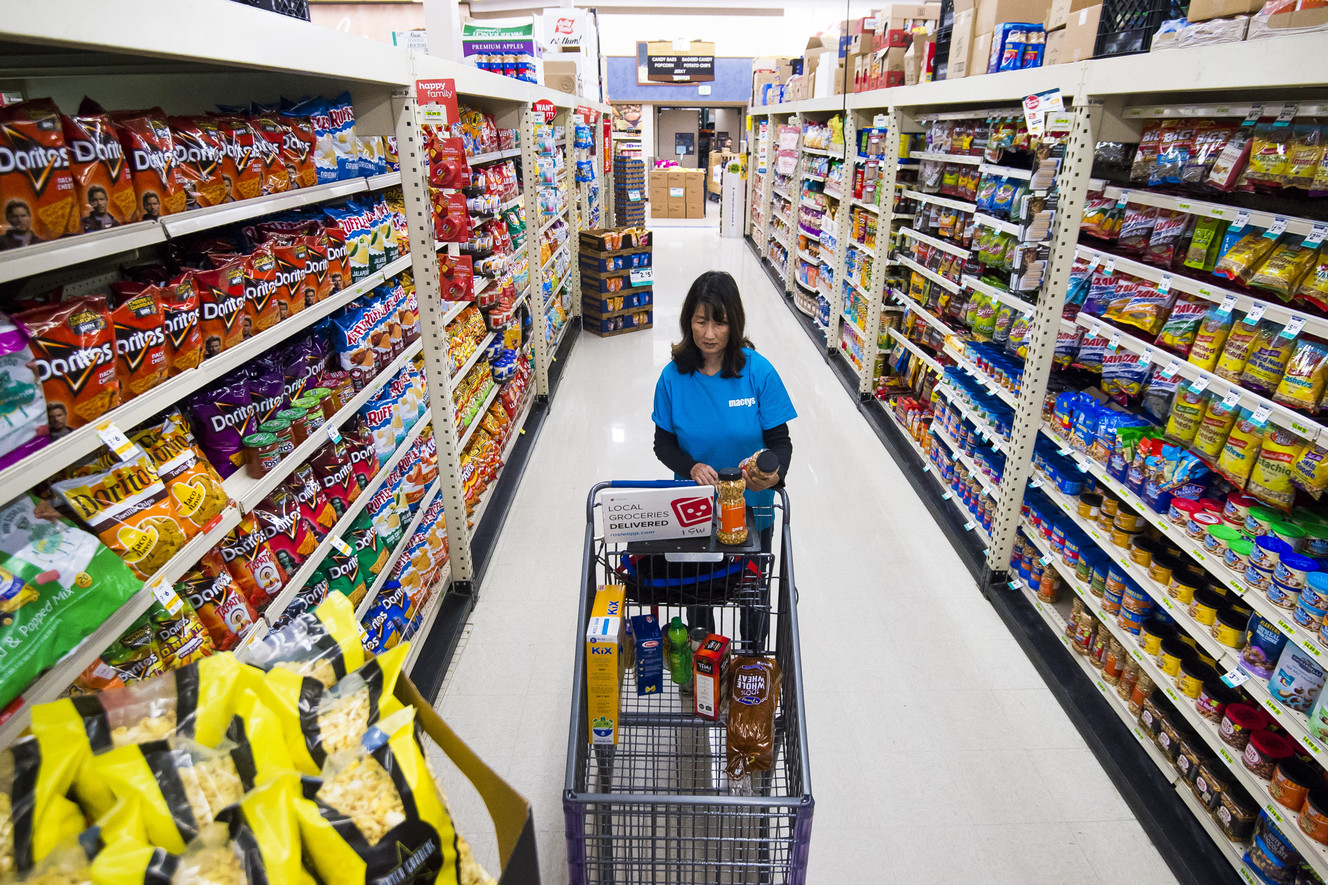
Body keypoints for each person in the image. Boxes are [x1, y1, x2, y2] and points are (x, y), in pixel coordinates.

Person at [652, 270, 796, 647]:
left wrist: (774, 474)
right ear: (689, 321)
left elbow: (780, 443)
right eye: (701, 321)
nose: (710, 333)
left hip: (753, 509)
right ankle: (704, 661)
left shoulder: (758, 372)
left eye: (720, 322)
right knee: (699, 591)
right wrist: (691, 466)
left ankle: (751, 657)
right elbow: (662, 444)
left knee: (751, 592)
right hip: (695, 508)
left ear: (735, 323)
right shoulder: (672, 378)